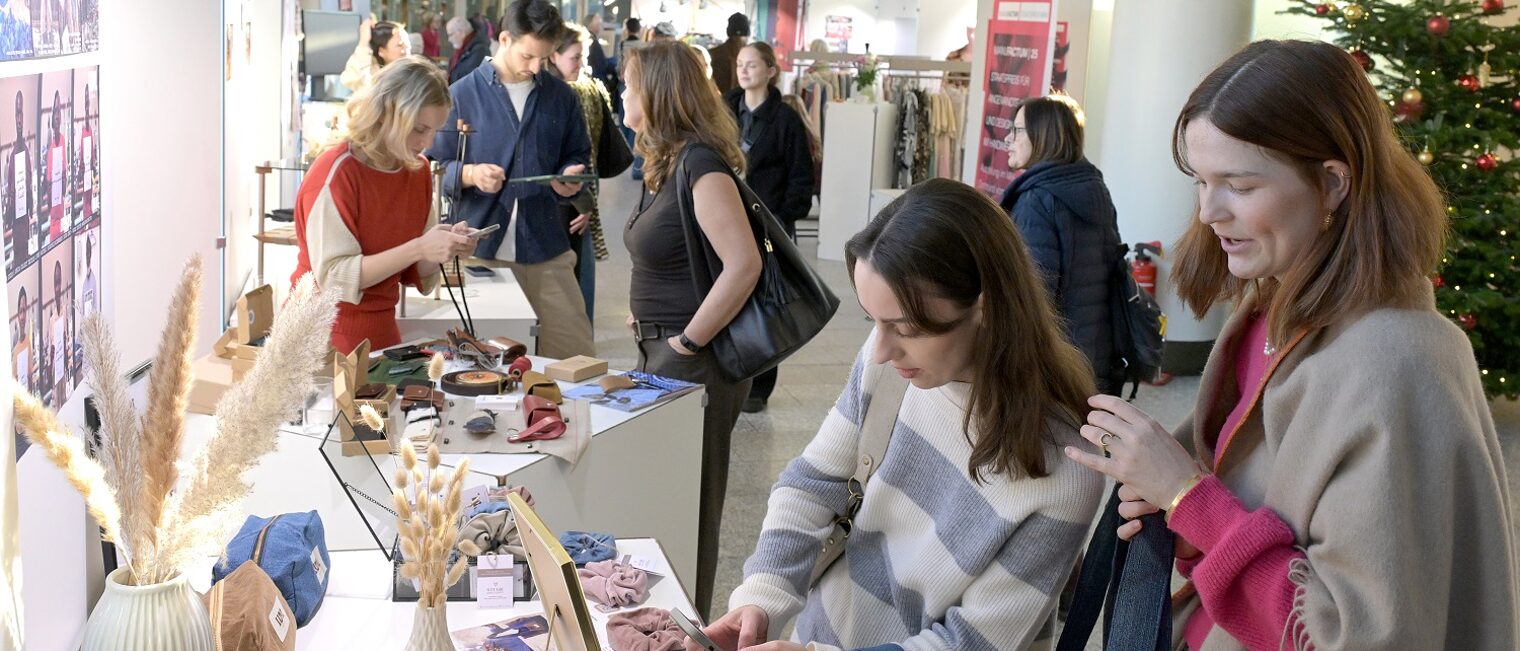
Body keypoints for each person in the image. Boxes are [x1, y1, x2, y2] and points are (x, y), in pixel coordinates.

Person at [1069, 40, 1518, 650]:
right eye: (1202, 181)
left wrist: (1185, 496)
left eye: (1239, 185)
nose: (1208, 212)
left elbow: (1349, 635)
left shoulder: (1400, 364)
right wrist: (1173, 508)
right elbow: (1263, 519)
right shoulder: (1265, 311)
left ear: (1332, 183)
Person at [700, 179, 1104, 651]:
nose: (881, 350)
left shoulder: (1064, 471)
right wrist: (762, 597)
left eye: (906, 328)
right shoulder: (889, 370)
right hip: (826, 630)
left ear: (986, 307)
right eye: (874, 320)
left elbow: (970, 643)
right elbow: (810, 485)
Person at [621, 41, 761, 618]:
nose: (621, 94)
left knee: (688, 513)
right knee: (661, 503)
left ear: (657, 94)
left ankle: (688, 627)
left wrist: (686, 341)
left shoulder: (700, 163)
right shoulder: (667, 161)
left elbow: (743, 264)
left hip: (691, 364)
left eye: (629, 86)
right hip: (661, 352)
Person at [427, 0, 597, 360]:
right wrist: (470, 174)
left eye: (544, 58)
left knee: (576, 357)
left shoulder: (561, 96)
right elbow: (432, 168)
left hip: (547, 247)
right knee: (484, 367)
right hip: (479, 254)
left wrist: (571, 175)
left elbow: (578, 154)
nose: (536, 67)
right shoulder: (460, 94)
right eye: (528, 56)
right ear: (504, 38)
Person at [292, 57, 474, 353]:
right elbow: (334, 279)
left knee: (379, 403)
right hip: (322, 342)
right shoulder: (336, 175)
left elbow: (413, 267)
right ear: (386, 114)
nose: (427, 142)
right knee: (357, 404)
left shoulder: (416, 171)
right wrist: (419, 247)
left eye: (434, 131)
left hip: (381, 335)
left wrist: (443, 248)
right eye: (418, 129)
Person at [999, 94, 1121, 395]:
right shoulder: (1093, 188)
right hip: (1094, 349)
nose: (1007, 139)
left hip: (1055, 358)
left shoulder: (1036, 200)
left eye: (1017, 130)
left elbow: (1034, 295)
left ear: (1043, 135)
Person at [724, 41, 815, 414]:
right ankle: (730, 374)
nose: (744, 71)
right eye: (741, 65)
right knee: (728, 297)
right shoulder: (726, 109)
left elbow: (800, 176)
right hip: (726, 221)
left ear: (770, 71)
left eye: (752, 65)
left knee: (766, 306)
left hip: (769, 225)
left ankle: (759, 387)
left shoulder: (786, 119)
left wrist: (780, 217)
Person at [547, 22, 613, 321]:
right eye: (576, 56)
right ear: (554, 56)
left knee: (578, 272)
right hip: (561, 200)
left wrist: (585, 200)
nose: (582, 64)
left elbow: (583, 154)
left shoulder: (582, 91)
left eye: (584, 56)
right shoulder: (554, 95)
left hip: (578, 196)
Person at [341, 19, 410, 93]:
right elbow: (353, 79)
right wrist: (363, 43)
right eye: (399, 45)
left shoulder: (417, 73)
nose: (407, 47)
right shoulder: (376, 79)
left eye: (407, 42)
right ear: (382, 51)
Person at [706, 12, 749, 94]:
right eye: (736, 37)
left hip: (719, 102)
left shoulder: (713, 54)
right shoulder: (754, 56)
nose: (738, 40)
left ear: (728, 32)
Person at [42, 91, 64, 242]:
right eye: (55, 112)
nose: (57, 116)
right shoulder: (50, 144)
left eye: (59, 112)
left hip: (60, 208)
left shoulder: (62, 139)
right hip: (54, 213)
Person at [446, 15, 489, 84]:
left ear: (461, 33)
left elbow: (469, 79)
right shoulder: (464, 48)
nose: (449, 40)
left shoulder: (479, 50)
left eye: (450, 35)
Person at [12, 288, 30, 394]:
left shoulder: (28, 339)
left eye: (24, 311)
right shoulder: (15, 338)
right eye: (20, 311)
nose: (22, 317)